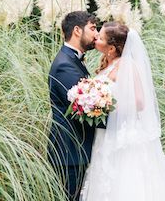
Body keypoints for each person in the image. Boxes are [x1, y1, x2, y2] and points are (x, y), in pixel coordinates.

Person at [80, 22, 165, 201]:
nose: (96, 37)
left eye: (100, 37)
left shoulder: (127, 65)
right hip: (105, 134)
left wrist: (104, 105)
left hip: (122, 135)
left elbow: (139, 101)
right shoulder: (110, 64)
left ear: (112, 48)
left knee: (126, 180)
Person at [47, 11, 104, 201]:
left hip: (76, 152)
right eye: (93, 28)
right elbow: (85, 110)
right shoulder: (65, 65)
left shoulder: (72, 60)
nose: (97, 34)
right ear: (78, 31)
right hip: (70, 153)